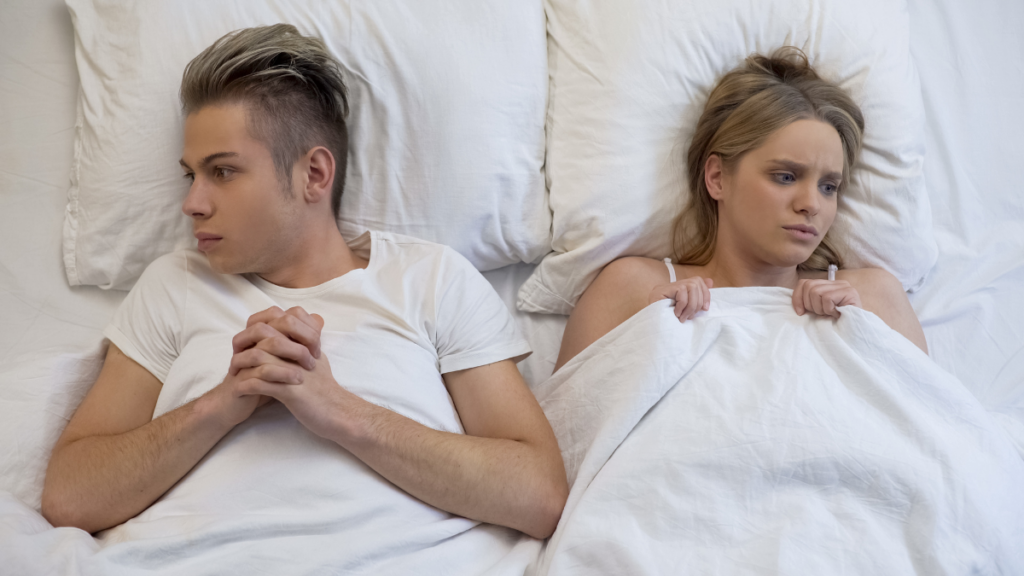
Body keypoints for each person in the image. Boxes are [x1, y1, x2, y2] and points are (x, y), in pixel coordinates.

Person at [41, 24, 567, 540]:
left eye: (222, 171)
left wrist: (338, 412)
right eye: (190, 175)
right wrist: (220, 405)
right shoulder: (172, 286)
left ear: (314, 174)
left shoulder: (431, 278)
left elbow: (538, 495)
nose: (192, 203)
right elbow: (70, 497)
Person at [557, 47, 928, 371]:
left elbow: (935, 432)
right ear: (717, 177)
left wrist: (863, 337)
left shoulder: (874, 297)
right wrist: (645, 337)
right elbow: (568, 437)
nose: (812, 204)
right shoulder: (633, 288)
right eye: (785, 177)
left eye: (828, 186)